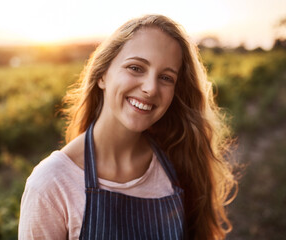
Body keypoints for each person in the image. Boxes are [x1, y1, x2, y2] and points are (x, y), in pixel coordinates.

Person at [18, 14, 237, 240]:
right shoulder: (51, 184)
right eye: (136, 67)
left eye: (166, 77)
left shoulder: (179, 160)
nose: (151, 88)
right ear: (102, 75)